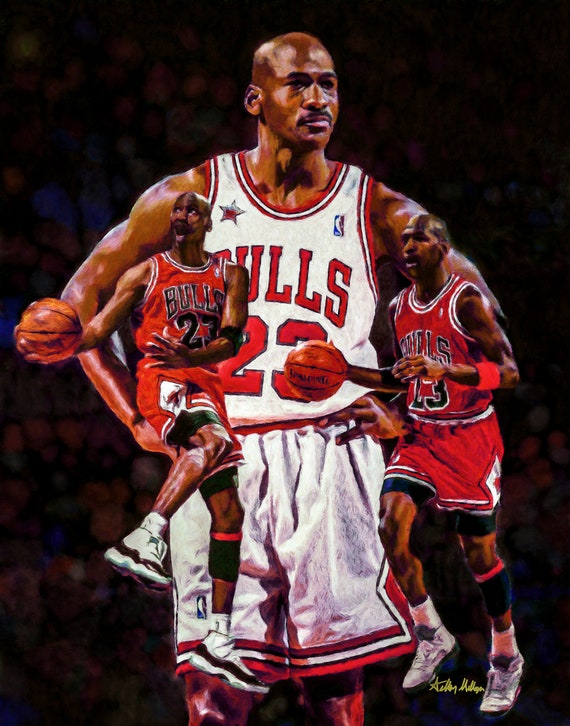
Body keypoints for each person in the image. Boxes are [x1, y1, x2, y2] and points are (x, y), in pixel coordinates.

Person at [19, 33, 503, 725]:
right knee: (213, 695)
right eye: (298, 83)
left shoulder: (375, 208)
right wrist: (138, 420)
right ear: (255, 99)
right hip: (225, 448)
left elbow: (472, 309)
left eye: (329, 85)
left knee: (336, 695)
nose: (318, 99)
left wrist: (416, 398)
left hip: (329, 452)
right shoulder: (190, 197)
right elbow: (79, 304)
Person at [75, 191, 267, 694]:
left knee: (229, 514)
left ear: (207, 222)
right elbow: (100, 328)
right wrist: (63, 341)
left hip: (204, 385)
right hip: (163, 380)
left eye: (191, 210)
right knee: (208, 441)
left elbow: (231, 339)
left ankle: (218, 639)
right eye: (176, 210)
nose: (181, 215)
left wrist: (193, 357)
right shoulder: (146, 273)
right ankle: (148, 534)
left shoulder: (230, 273)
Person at [371, 213, 522, 717]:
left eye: (420, 238)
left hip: (469, 437)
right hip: (421, 434)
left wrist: (449, 369)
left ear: (442, 247)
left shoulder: (466, 301)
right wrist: (349, 382)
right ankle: (430, 632)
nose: (409, 245)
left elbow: (509, 373)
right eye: (404, 240)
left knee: (479, 556)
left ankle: (506, 654)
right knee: (390, 524)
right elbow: (406, 377)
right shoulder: (397, 307)